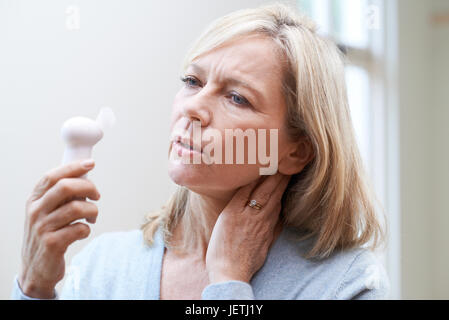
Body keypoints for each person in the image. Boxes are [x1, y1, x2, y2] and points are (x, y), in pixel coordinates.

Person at [11, 3, 390, 300]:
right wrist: (34, 285)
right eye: (192, 81)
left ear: (296, 152)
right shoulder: (102, 267)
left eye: (237, 97)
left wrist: (228, 282)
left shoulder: (343, 284)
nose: (193, 108)